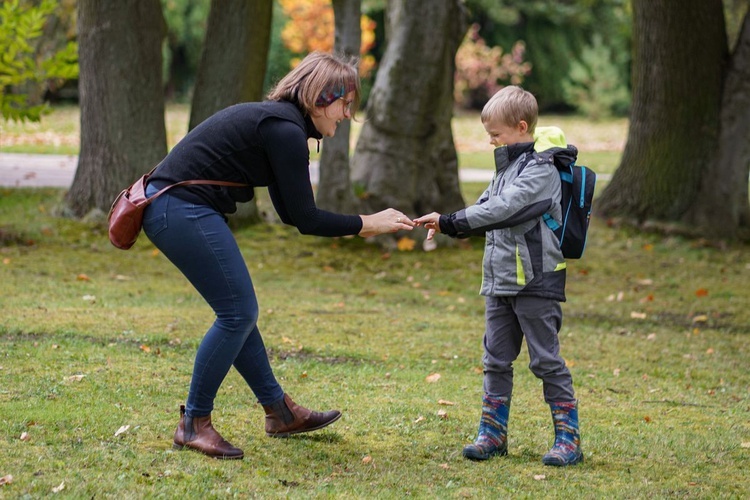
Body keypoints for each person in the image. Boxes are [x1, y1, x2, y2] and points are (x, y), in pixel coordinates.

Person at [142, 51, 415, 460]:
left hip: (173, 207)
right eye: (345, 105)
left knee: (238, 311)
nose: (345, 117)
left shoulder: (281, 126)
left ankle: (280, 411)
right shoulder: (284, 130)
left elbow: (291, 215)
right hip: (177, 208)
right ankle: (194, 423)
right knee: (237, 313)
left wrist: (363, 224)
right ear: (323, 96)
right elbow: (306, 217)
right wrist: (368, 223)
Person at [414, 85, 583, 466]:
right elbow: (485, 207)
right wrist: (444, 222)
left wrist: (451, 222)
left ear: (521, 127)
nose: (490, 141)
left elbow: (504, 210)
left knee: (545, 360)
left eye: (496, 134)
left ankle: (568, 439)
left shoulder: (540, 171)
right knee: (495, 359)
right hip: (500, 280)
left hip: (537, 282)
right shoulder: (507, 168)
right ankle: (492, 434)